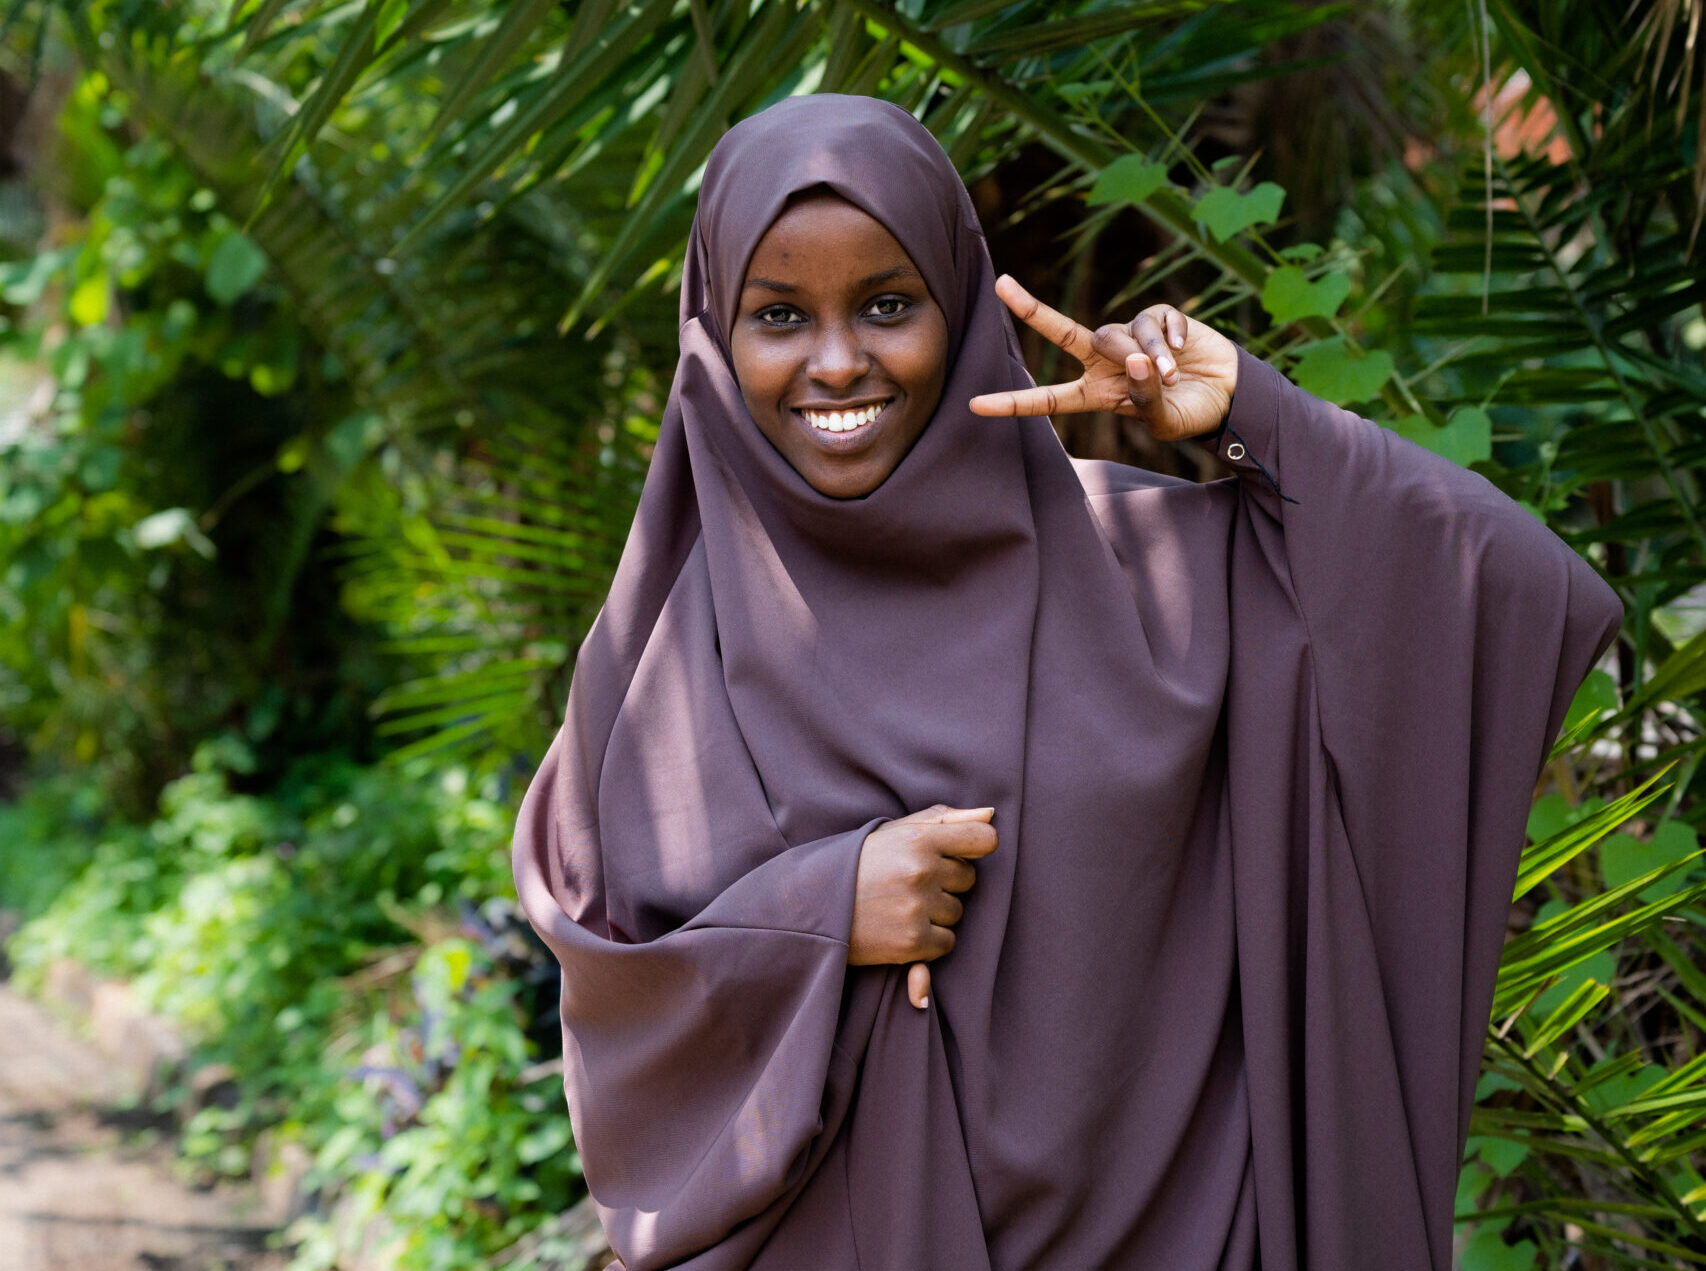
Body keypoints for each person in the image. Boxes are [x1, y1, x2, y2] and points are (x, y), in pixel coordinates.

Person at [510, 93, 1623, 1271]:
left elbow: (1504, 585)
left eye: (888, 304)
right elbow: (619, 1014)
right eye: (778, 315)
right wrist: (819, 917)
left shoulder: (1144, 570)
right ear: (710, 339)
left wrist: (1255, 414)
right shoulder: (655, 663)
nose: (836, 362)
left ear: (956, 300)